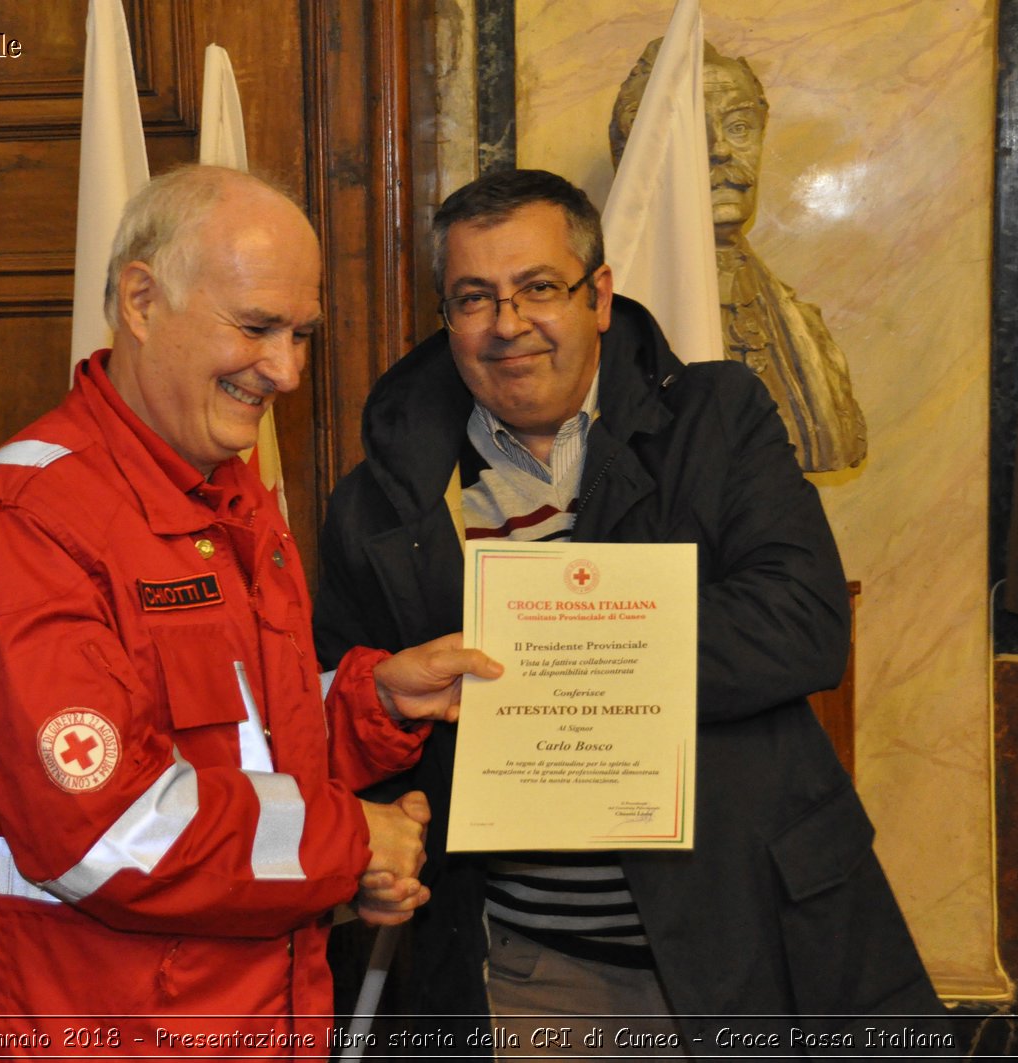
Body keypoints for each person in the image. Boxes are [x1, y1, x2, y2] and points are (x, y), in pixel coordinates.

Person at [314, 169, 943, 1055]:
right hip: (534, 970)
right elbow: (341, 706)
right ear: (447, 317)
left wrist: (559, 650)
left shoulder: (718, 418)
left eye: (540, 287)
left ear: (598, 295)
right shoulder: (382, 503)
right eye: (473, 298)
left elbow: (804, 622)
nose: (508, 323)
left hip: (759, 937)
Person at [0, 164, 499, 1057]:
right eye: (258, 328)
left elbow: (241, 744)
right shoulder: (23, 523)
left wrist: (369, 702)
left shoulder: (226, 491)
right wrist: (353, 843)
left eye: (301, 334)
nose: (288, 370)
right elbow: (106, 829)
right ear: (142, 301)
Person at [610, 39, 868, 472]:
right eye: (694, 131)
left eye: (739, 127)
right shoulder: (614, 329)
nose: (720, 150)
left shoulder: (798, 322)